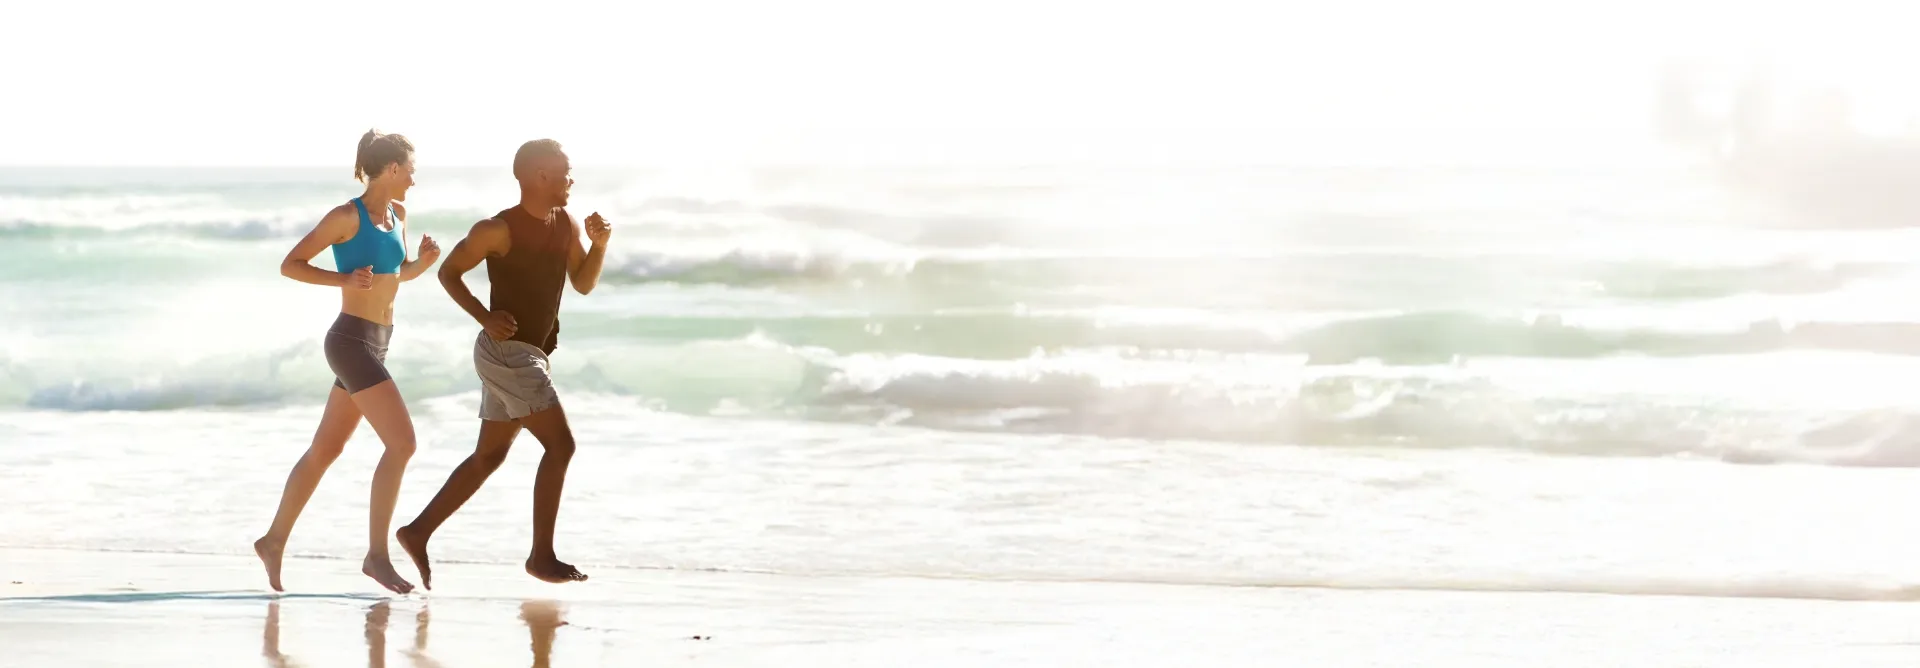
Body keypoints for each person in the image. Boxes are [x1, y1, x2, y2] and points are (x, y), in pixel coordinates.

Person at [397, 138, 611, 588]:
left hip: (530, 355)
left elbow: (583, 283)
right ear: (540, 175)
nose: (571, 181)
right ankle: (541, 556)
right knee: (561, 446)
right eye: (565, 172)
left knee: (488, 455)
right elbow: (449, 272)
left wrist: (599, 245)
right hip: (508, 354)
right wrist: (484, 316)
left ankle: (417, 532)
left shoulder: (566, 224)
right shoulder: (498, 229)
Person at [255, 129, 441, 594]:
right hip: (350, 341)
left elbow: (394, 276)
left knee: (326, 449)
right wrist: (343, 279)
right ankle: (376, 556)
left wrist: (421, 264)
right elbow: (291, 264)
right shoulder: (345, 217)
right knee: (402, 444)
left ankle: (273, 540)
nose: (414, 180)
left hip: (378, 342)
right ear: (393, 169)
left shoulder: (398, 216)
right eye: (411, 171)